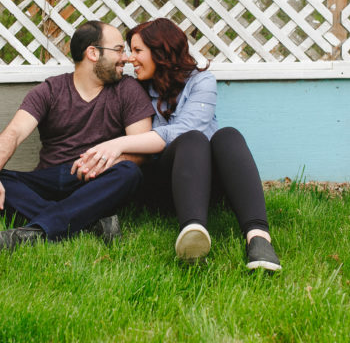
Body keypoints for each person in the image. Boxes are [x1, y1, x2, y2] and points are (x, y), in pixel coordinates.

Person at [72, 18, 281, 271]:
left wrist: (118, 143)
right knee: (191, 140)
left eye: (138, 51)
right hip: (163, 186)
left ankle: (258, 238)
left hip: (206, 184)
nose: (129, 58)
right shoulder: (133, 89)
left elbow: (186, 128)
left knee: (228, 136)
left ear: (161, 52)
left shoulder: (201, 82)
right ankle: (192, 233)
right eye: (129, 51)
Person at [0, 20, 155, 250]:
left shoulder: (128, 90)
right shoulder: (50, 90)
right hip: (50, 178)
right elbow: (15, 133)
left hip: (94, 180)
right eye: (118, 50)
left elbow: (141, 152)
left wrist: (102, 164)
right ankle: (89, 222)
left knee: (129, 172)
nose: (126, 58)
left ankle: (37, 231)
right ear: (93, 53)